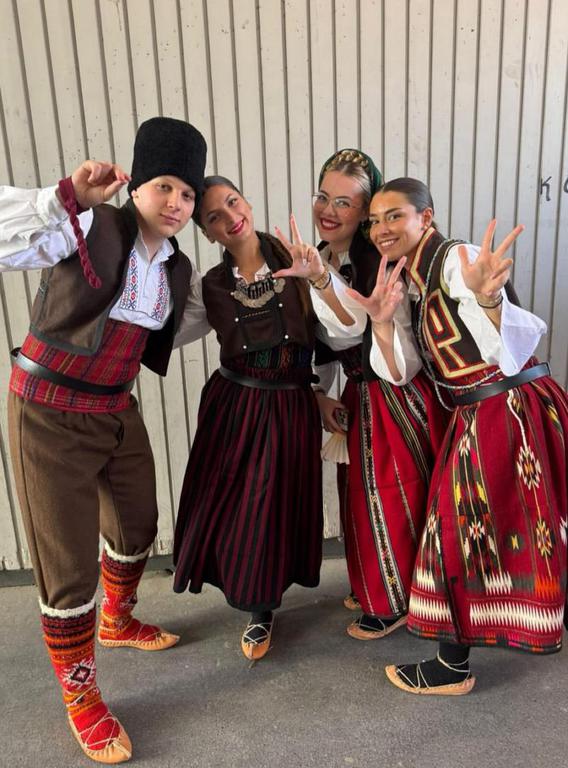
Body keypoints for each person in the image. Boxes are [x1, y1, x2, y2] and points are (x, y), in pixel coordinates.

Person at [0, 117, 209, 762]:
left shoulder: (176, 268)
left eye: (188, 194)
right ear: (136, 185)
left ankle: (117, 619)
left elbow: (170, 329)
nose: (176, 203)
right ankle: (82, 694)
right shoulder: (91, 226)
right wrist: (63, 197)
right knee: (67, 567)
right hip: (48, 412)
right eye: (164, 186)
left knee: (138, 523)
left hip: (115, 407)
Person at [347, 176, 568, 695]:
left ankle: (451, 666)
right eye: (374, 221)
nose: (381, 229)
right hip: (482, 411)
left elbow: (503, 347)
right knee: (514, 525)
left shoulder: (454, 260)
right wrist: (382, 322)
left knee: (453, 532)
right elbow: (400, 371)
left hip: (507, 407)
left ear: (426, 217)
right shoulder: (407, 280)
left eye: (394, 215)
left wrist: (489, 299)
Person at [273, 149, 449, 643]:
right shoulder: (322, 257)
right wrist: (319, 393)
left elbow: (356, 329)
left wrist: (321, 281)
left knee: (392, 495)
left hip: (394, 392)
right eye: (323, 197)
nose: (328, 211)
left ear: (364, 213)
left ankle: (398, 600)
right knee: (361, 497)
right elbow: (322, 343)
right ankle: (379, 585)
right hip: (358, 393)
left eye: (345, 203)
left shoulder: (377, 262)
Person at [173, 176, 323, 661]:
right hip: (235, 405)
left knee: (278, 505)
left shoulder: (300, 260)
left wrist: (320, 392)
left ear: (248, 202)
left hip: (291, 404)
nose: (230, 218)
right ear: (207, 232)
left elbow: (334, 335)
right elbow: (167, 335)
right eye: (214, 217)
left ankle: (266, 601)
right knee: (244, 508)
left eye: (233, 203)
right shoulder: (211, 287)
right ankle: (257, 607)